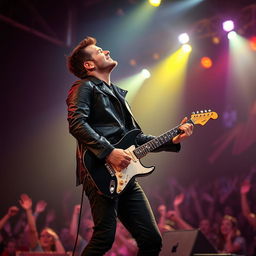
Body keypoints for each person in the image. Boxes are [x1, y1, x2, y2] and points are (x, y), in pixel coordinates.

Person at [66, 36, 193, 256]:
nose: (105, 50)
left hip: (125, 173)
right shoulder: (84, 87)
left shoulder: (119, 94)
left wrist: (173, 138)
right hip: (99, 172)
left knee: (152, 240)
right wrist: (108, 152)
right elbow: (77, 123)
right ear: (89, 65)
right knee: (104, 238)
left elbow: (137, 139)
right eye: (98, 51)